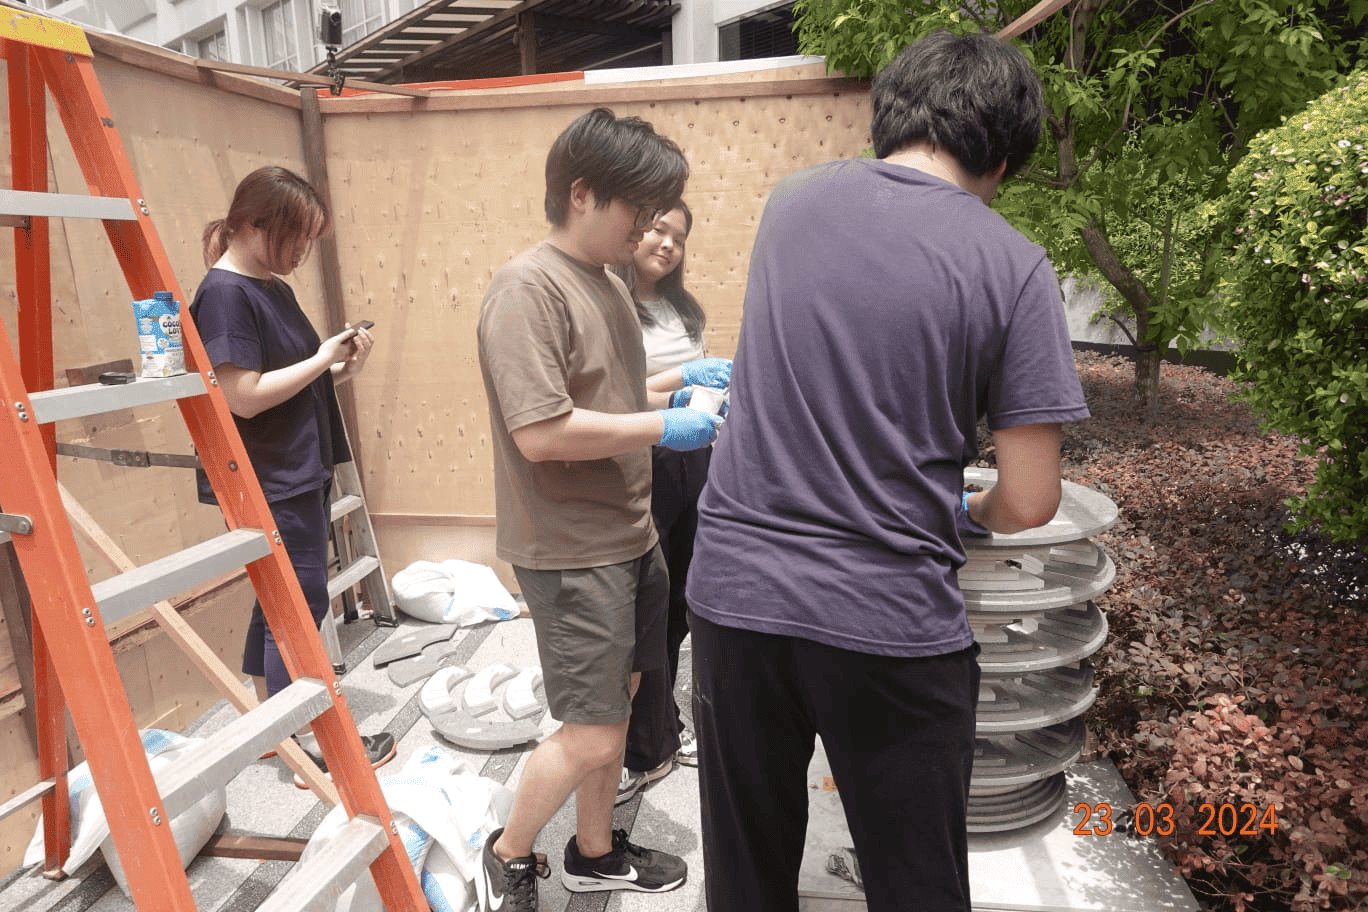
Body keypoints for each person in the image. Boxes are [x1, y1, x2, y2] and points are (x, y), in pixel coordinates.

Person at [685, 31, 1092, 912]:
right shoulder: (1014, 265)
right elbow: (1029, 499)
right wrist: (968, 508)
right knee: (916, 884)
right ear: (1007, 157)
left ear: (891, 117)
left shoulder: (791, 202)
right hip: (888, 618)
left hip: (735, 593)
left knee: (747, 876)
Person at [476, 107, 725, 912]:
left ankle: (593, 852)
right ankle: (510, 853)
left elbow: (609, 398)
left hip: (629, 533)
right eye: (639, 209)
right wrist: (667, 422)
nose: (651, 227)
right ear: (583, 194)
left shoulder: (607, 285)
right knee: (585, 728)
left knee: (614, 709)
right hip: (571, 547)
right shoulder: (526, 289)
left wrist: (679, 385)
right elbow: (543, 432)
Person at [191, 165, 395, 777]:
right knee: (297, 605)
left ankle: (270, 727)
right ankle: (302, 739)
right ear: (253, 225)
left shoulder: (268, 285)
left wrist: (340, 364)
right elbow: (244, 395)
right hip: (267, 476)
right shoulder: (225, 293)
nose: (303, 252)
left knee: (278, 601)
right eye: (296, 237)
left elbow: (290, 379)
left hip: (294, 467)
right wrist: (322, 360)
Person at [609, 201, 714, 803]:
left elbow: (700, 381)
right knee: (646, 602)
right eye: (657, 230)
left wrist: (705, 394)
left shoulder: (682, 307)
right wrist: (685, 385)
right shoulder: (613, 304)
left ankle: (665, 724)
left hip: (692, 456)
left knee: (681, 599)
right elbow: (617, 397)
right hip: (643, 453)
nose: (668, 244)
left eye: (678, 236)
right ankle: (641, 748)